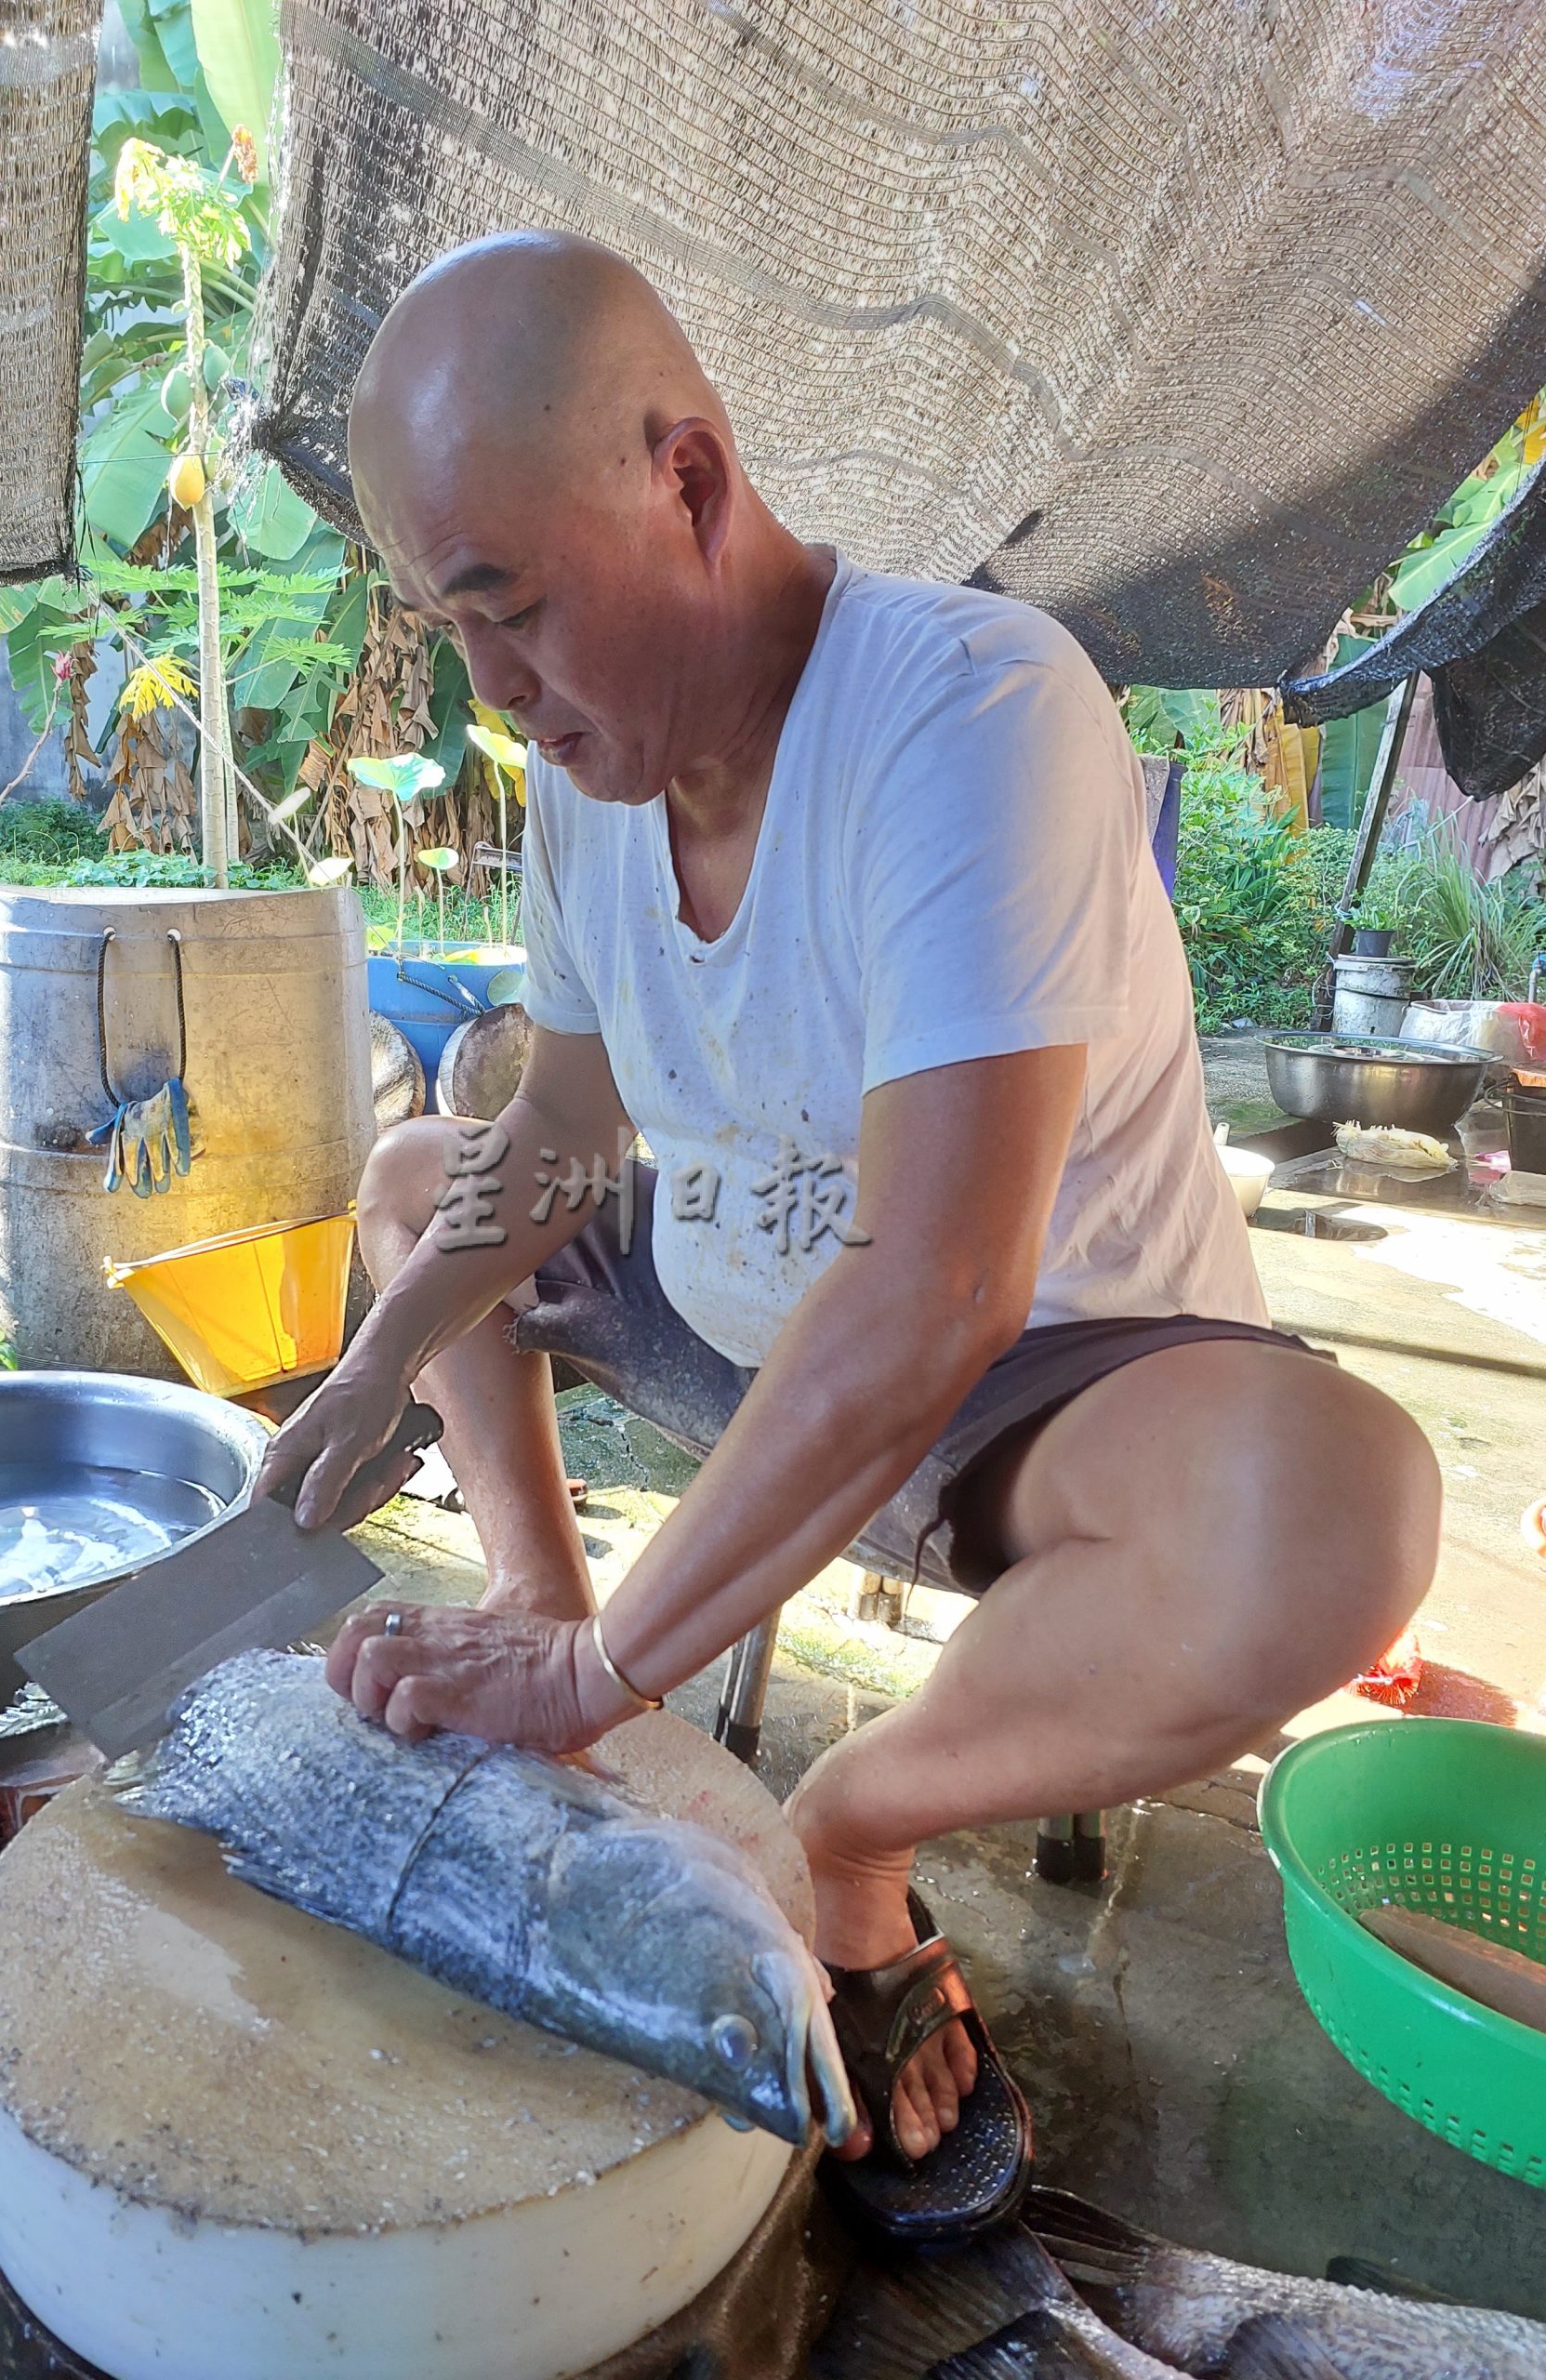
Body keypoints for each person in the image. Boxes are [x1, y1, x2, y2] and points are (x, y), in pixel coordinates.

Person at [258, 230, 1440, 2240]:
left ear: (692, 483)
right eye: (451, 628)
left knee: (1333, 1512)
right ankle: (564, 1655)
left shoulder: (968, 712)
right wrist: (372, 1373)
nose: (491, 689)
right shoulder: (584, 777)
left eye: (513, 609)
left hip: (1026, 1386)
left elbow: (940, 1285)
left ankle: (853, 1824)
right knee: (409, 1182)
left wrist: (630, 1645)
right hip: (732, 1302)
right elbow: (557, 1118)